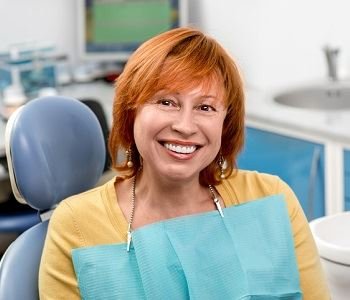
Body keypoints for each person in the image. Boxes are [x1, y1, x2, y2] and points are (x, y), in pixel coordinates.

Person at [39, 27, 330, 299]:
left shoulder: (272, 200)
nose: (185, 125)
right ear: (131, 112)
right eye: (166, 102)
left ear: (224, 124)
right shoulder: (75, 225)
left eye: (205, 107)